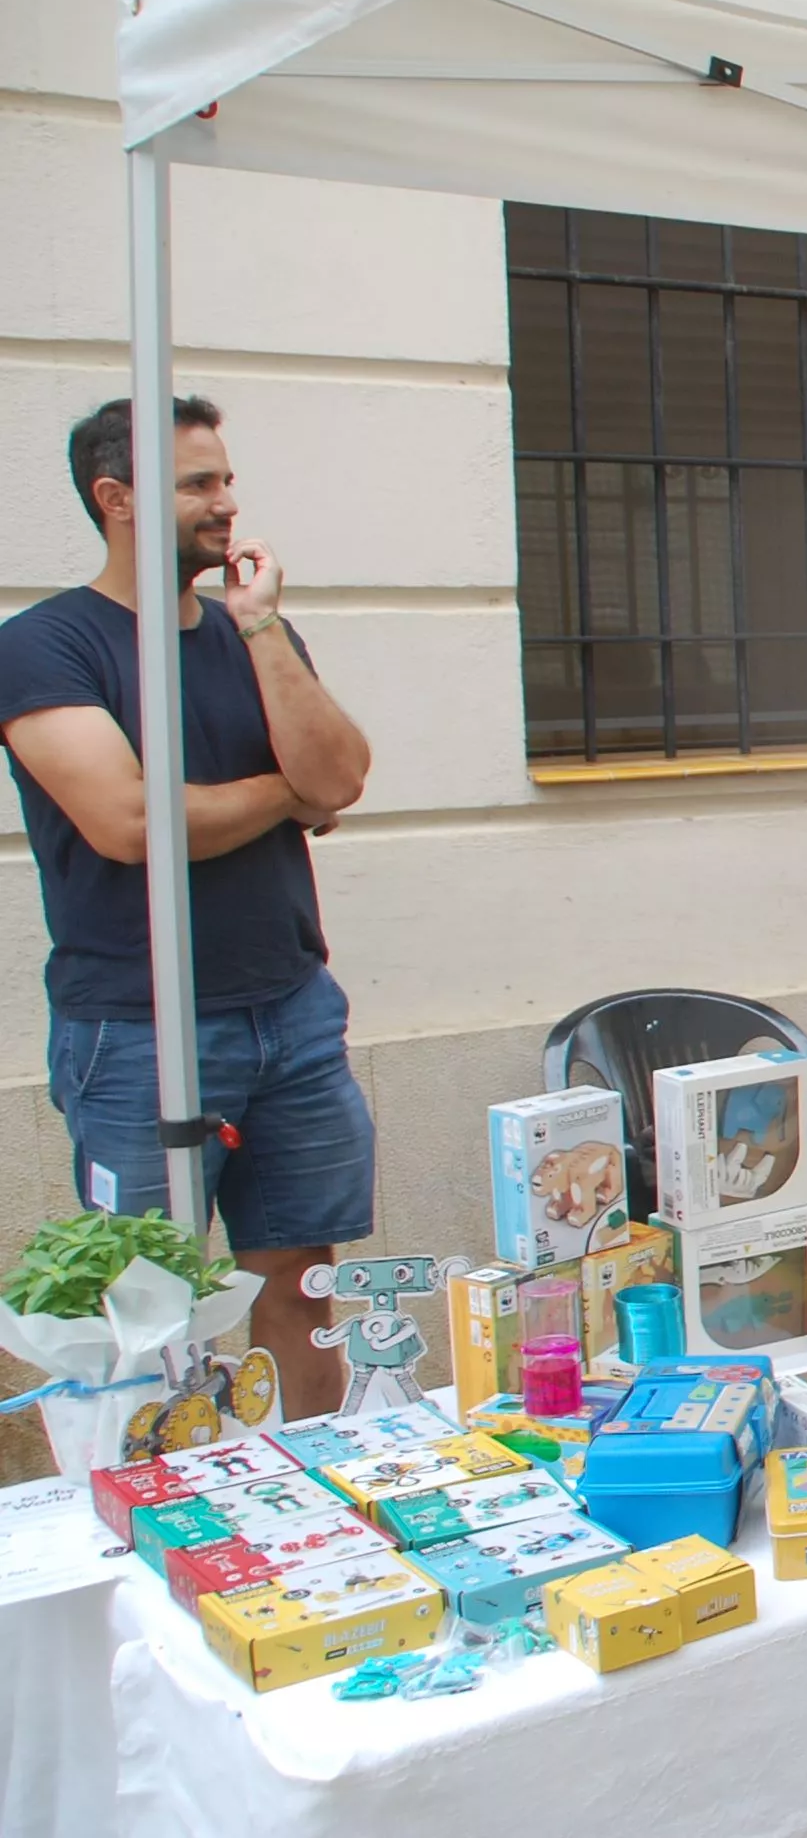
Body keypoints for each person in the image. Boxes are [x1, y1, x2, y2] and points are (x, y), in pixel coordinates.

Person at [0, 397, 374, 1420]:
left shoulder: (257, 633)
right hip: (136, 1026)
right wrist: (283, 797)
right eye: (197, 484)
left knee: (303, 1281)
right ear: (115, 500)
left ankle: (313, 1498)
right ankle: (154, 1521)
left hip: (291, 1011)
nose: (226, 503)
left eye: (225, 478)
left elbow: (337, 774)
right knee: (145, 1303)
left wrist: (259, 628)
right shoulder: (45, 646)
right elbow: (128, 822)